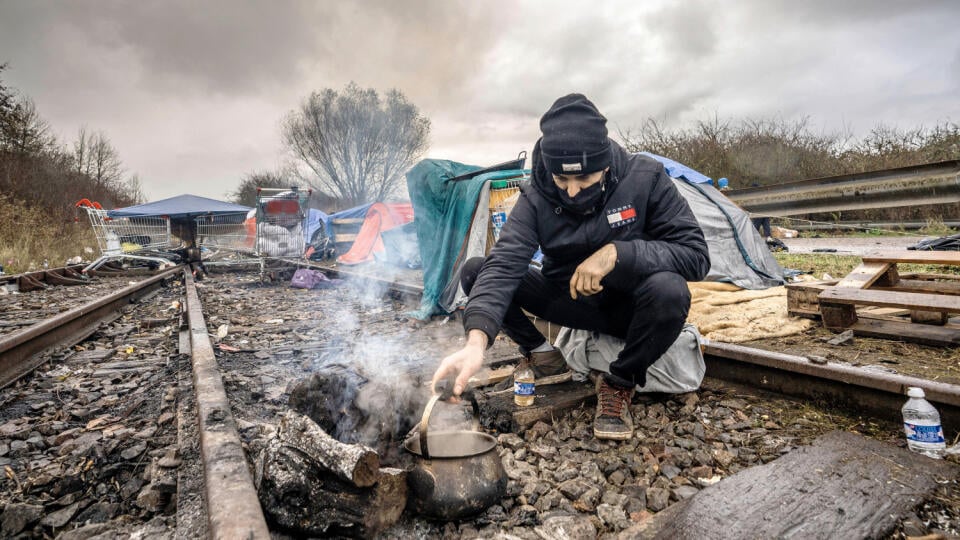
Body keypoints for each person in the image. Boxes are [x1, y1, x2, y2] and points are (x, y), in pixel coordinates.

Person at [431, 94, 710, 440]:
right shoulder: (536, 196)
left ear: (605, 165)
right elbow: (504, 265)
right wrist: (476, 344)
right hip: (569, 301)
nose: (573, 193)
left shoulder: (646, 178)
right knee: (476, 269)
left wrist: (618, 254)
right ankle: (545, 357)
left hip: (632, 308)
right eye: (563, 182)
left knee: (670, 291)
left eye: (585, 181)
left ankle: (619, 382)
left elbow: (696, 255)